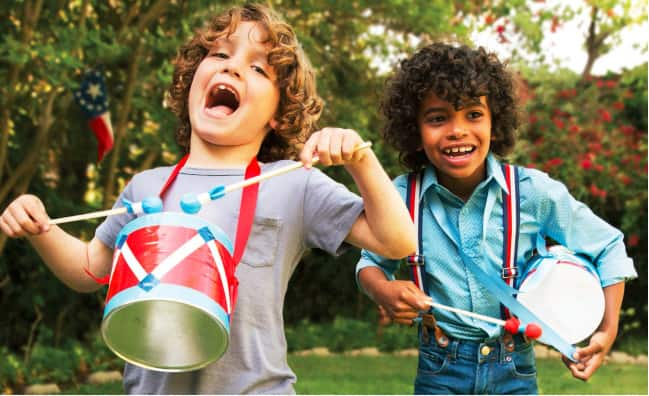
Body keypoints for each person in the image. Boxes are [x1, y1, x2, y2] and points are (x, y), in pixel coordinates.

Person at [0, 4, 416, 394]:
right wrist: (42, 229)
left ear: (278, 112)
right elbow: (90, 271)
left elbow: (397, 242)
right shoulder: (146, 186)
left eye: (257, 67)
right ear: (190, 80)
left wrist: (360, 160)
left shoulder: (294, 184)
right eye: (219, 54)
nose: (233, 66)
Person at [356, 42, 637, 394]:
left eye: (473, 114)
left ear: (495, 121)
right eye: (438, 118)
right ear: (414, 129)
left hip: (514, 368)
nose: (457, 131)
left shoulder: (533, 192)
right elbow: (370, 263)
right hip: (439, 369)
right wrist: (383, 289)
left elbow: (609, 246)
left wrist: (607, 331)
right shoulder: (399, 198)